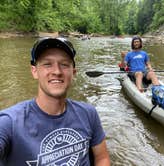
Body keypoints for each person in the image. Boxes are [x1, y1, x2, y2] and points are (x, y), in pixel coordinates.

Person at [0, 37, 110, 166]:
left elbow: (102, 158)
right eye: (47, 64)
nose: (57, 71)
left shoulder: (88, 113)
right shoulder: (9, 123)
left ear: (73, 73)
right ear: (34, 71)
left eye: (64, 64)